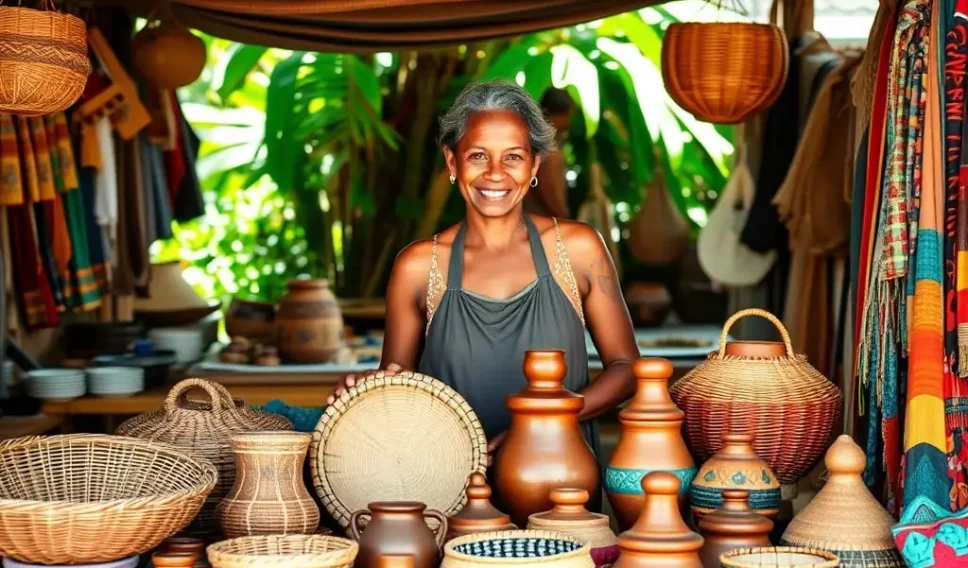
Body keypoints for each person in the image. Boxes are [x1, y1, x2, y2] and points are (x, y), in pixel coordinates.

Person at [327, 80, 639, 511]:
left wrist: (544, 421)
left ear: (535, 166)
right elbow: (398, 384)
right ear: (452, 161)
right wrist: (370, 390)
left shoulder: (579, 249)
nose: (495, 173)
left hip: (561, 488)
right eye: (478, 156)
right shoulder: (418, 267)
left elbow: (626, 368)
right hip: (448, 495)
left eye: (513, 156)